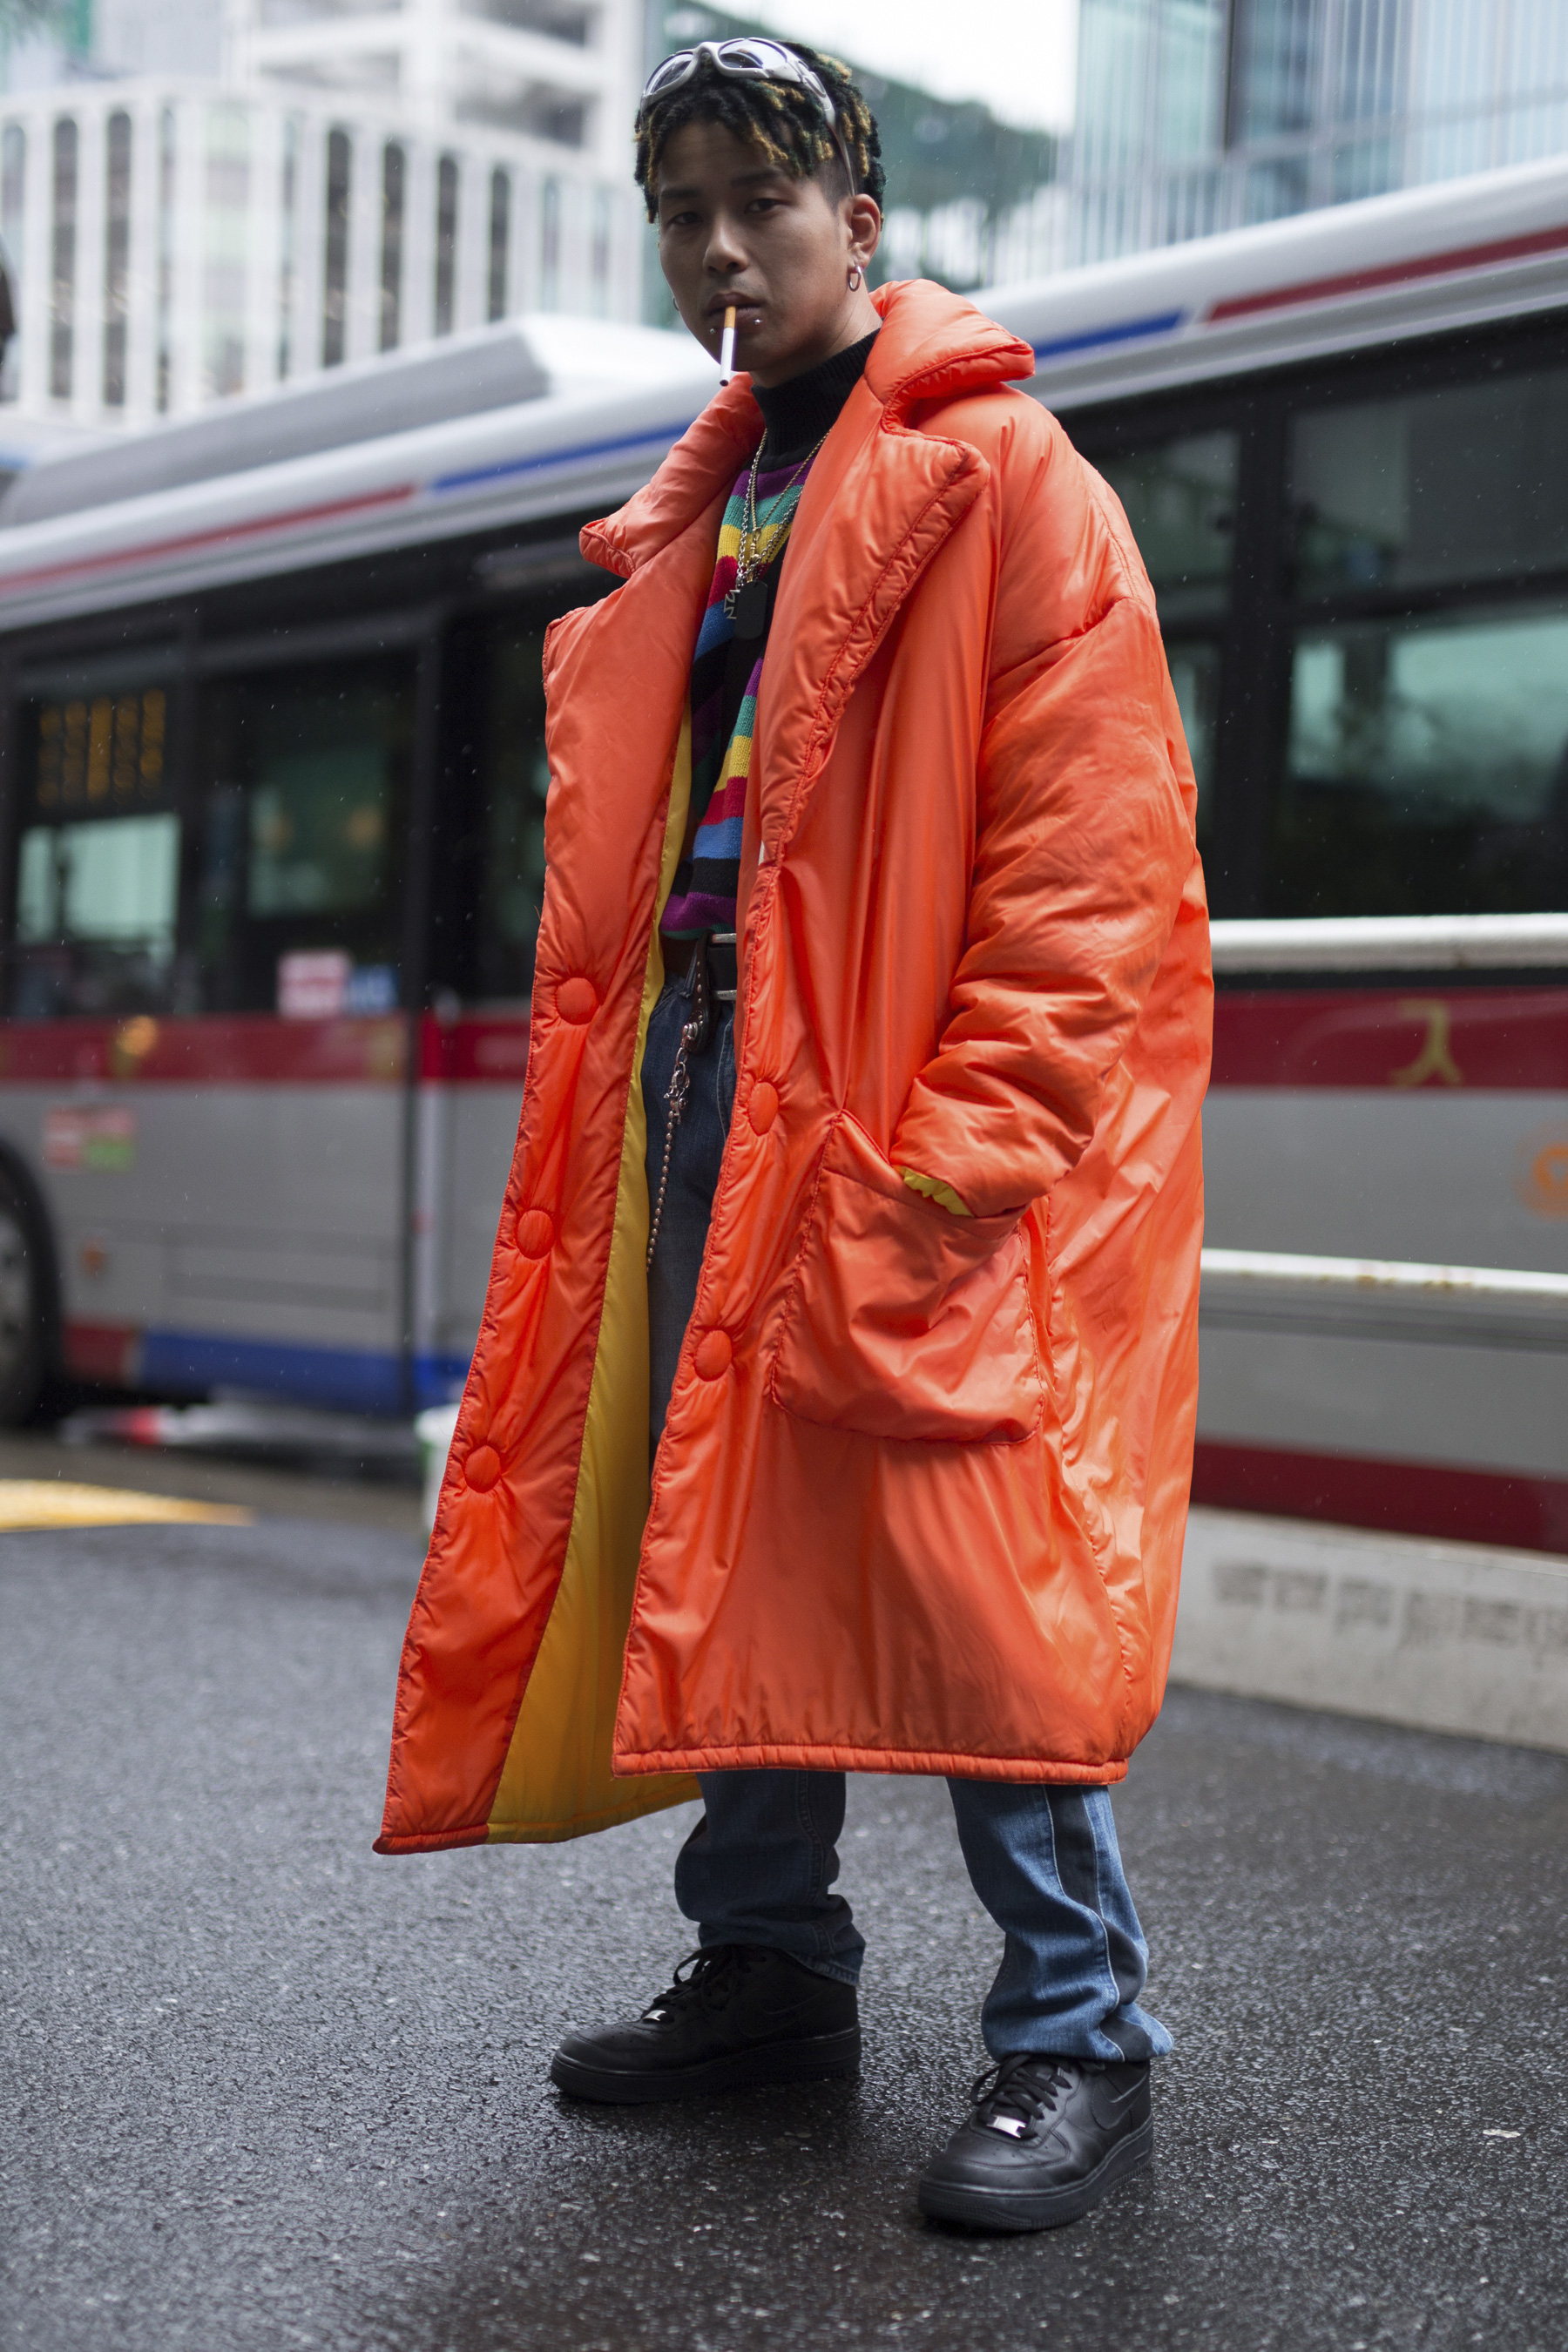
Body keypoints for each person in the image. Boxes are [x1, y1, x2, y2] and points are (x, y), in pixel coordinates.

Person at [376, 37, 1212, 2235]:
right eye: (683, 213)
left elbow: (1092, 872)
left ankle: (1078, 2028)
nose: (724, 247)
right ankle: (771, 1965)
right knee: (715, 1504)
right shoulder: (710, 496)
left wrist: (961, 1152)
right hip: (712, 1084)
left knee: (971, 1554)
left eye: (765, 197)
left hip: (895, 1116)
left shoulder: (1011, 476)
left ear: (866, 216)